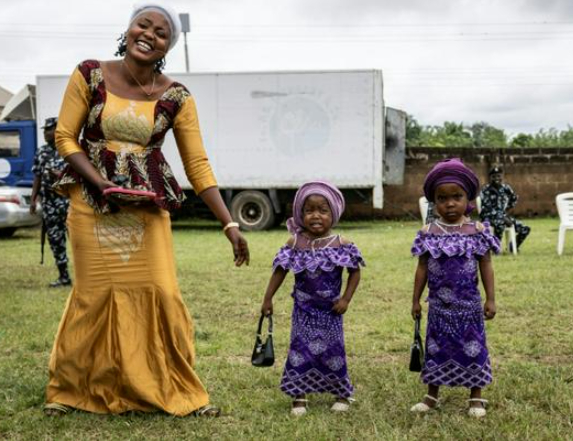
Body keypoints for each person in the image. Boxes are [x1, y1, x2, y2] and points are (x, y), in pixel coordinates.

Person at [44, 2, 249, 417]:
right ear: (129, 28)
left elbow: (198, 165)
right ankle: (72, 390)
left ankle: (169, 388)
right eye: (144, 24)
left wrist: (228, 222)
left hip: (147, 207)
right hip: (91, 204)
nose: (149, 34)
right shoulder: (90, 73)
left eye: (161, 32)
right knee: (94, 296)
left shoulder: (176, 96)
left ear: (168, 45)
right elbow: (66, 137)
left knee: (160, 292)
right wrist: (100, 183)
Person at [260, 181, 364, 416]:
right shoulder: (295, 243)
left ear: (333, 214)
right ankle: (299, 395)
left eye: (323, 210)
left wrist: (346, 299)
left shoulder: (341, 244)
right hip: (303, 311)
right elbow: (280, 271)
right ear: (300, 214)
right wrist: (268, 299)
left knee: (333, 352)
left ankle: (341, 393)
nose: (316, 216)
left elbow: (355, 271)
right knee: (300, 351)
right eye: (309, 210)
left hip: (331, 311)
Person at [410, 158, 500, 418]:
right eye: (442, 198)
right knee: (436, 349)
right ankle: (431, 396)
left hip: (469, 306)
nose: (449, 203)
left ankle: (476, 397)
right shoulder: (428, 232)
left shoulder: (477, 231)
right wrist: (415, 300)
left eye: (457, 196)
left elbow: (486, 265)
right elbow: (422, 268)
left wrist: (491, 299)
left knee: (473, 348)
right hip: (438, 306)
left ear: (468, 198)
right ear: (434, 201)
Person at [30, 117, 71, 287]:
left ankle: (88, 278)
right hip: (49, 203)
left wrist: (60, 175)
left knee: (79, 240)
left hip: (69, 202)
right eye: (45, 130)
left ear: (58, 130)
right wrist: (33, 199)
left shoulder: (69, 149)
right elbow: (37, 176)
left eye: (49, 129)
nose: (46, 133)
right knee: (55, 239)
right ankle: (64, 277)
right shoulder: (41, 152)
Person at [480, 166, 531, 251]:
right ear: (490, 178)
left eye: (499, 176)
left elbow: (514, 198)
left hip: (503, 217)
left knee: (525, 229)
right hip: (488, 218)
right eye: (494, 176)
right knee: (499, 224)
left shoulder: (506, 188)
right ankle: (496, 248)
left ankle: (513, 247)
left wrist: (507, 209)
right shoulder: (485, 190)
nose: (496, 178)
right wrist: (502, 217)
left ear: (502, 177)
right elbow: (486, 209)